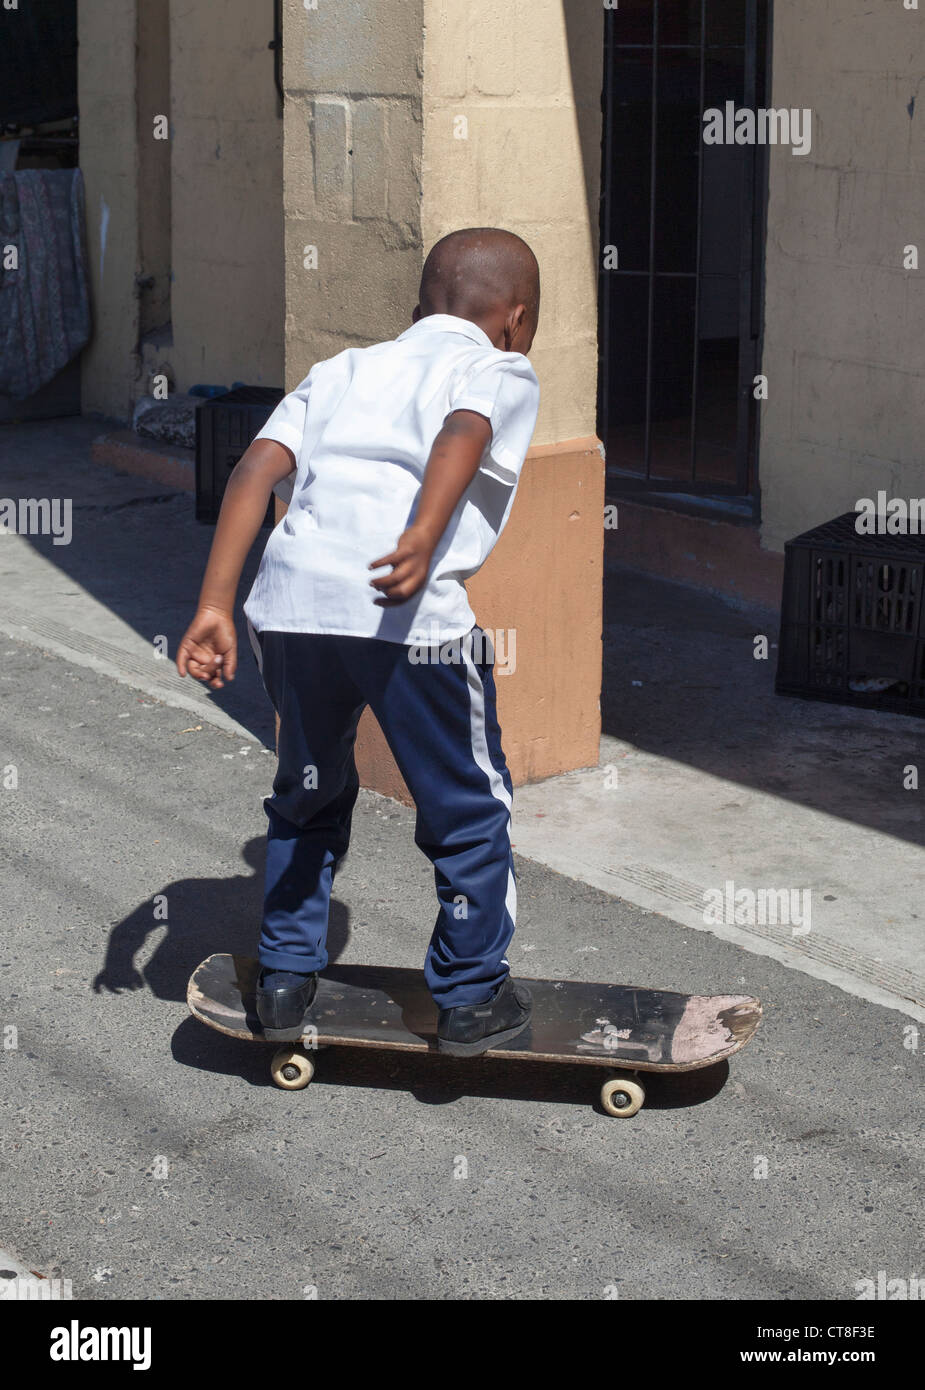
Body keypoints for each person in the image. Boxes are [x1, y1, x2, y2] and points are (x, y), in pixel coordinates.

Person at [176, 227, 540, 1056]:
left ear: (415, 310)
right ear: (516, 320)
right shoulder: (497, 366)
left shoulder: (338, 370)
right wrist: (420, 535)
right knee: (465, 805)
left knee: (307, 790)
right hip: (411, 623)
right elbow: (463, 433)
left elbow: (252, 471)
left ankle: (281, 980)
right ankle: (471, 997)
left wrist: (213, 605)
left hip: (293, 609)